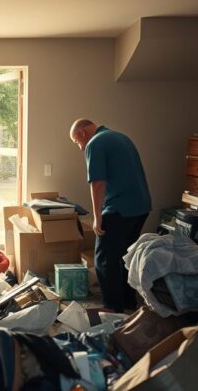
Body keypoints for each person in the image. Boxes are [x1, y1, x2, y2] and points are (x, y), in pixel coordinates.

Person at [70, 119, 151, 313]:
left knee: (104, 259)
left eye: (77, 142)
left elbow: (97, 183)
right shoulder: (121, 137)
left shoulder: (95, 143)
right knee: (124, 257)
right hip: (141, 207)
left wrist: (97, 217)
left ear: (82, 132)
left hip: (120, 208)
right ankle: (128, 303)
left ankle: (112, 307)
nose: (80, 148)